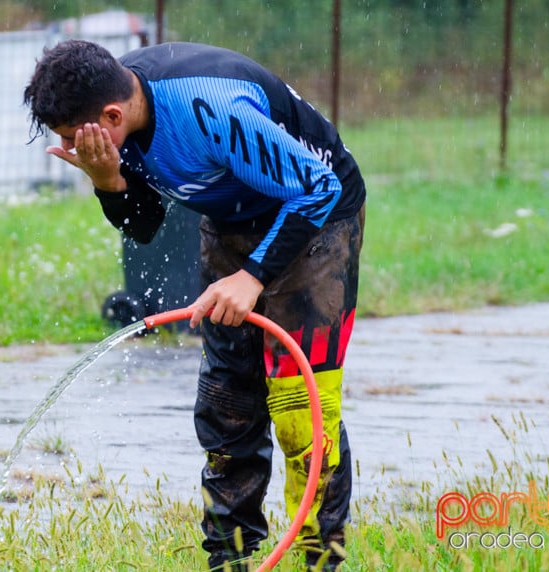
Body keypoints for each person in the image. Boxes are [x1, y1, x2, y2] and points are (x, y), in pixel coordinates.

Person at [24, 39, 366, 572]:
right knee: (227, 402)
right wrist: (107, 180)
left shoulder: (211, 110)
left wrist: (253, 276)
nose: (74, 148)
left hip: (316, 215)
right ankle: (230, 557)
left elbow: (317, 187)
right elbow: (146, 225)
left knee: (302, 407)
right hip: (231, 219)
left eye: (76, 138)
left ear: (112, 114)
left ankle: (321, 559)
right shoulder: (121, 124)